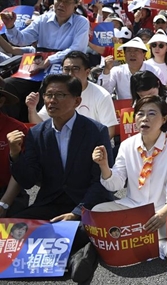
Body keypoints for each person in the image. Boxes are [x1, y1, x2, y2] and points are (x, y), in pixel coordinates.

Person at [8, 74, 113, 283]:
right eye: (48, 95)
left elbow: (100, 181)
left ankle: (81, 254)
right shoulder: (37, 133)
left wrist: (75, 213)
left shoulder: (96, 131)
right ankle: (79, 252)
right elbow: (28, 181)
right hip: (52, 200)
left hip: (86, 202)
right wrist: (15, 155)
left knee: (91, 227)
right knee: (12, 227)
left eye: (59, 95)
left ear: (77, 101)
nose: (51, 100)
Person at [91, 95, 167, 258]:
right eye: (140, 113)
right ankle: (158, 245)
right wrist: (103, 166)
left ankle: (133, 239)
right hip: (134, 208)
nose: (145, 118)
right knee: (98, 213)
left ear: (164, 118)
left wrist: (164, 212)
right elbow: (116, 184)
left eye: (152, 113)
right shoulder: (127, 145)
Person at [1, 0, 89, 122]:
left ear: (75, 4)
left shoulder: (81, 22)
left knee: (48, 90)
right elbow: (21, 39)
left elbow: (77, 48)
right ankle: (12, 123)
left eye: (67, 1)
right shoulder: (43, 19)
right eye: (58, 0)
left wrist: (50, 60)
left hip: (61, 66)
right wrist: (10, 27)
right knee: (7, 86)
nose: (61, 4)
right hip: (36, 65)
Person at [27, 51, 118, 139]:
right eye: (66, 69)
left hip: (94, 148)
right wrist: (32, 109)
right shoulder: (56, 94)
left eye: (75, 69)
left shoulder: (102, 95)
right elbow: (40, 124)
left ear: (87, 72)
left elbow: (109, 131)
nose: (70, 74)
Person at [99, 37, 165, 100]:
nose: (132, 54)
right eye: (129, 51)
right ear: (124, 54)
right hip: (125, 110)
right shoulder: (117, 71)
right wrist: (106, 71)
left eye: (136, 51)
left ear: (144, 54)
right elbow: (105, 93)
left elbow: (163, 92)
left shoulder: (155, 71)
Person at [0, 87, 29, 218]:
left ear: (1, 101)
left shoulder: (17, 129)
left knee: (15, 230)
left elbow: (20, 172)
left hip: (7, 192)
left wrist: (4, 204)